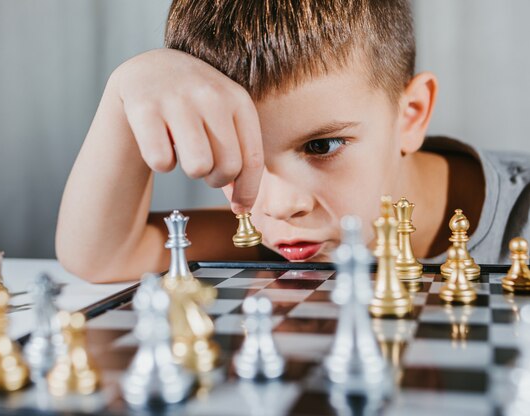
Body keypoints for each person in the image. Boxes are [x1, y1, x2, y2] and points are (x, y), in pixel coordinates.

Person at [56, 0, 530, 283]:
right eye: (242, 153)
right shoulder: (294, 236)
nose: (278, 206)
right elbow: (102, 255)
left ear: (410, 115)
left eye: (321, 147)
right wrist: (125, 88)